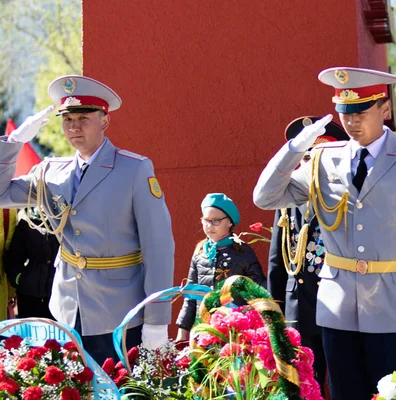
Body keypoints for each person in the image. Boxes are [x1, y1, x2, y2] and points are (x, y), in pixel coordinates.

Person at [254, 67, 396, 400]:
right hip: (338, 308)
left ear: (385, 109)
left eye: (361, 111)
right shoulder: (323, 159)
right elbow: (265, 197)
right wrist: (294, 149)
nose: (351, 121)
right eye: (344, 112)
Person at [0, 75, 175, 364]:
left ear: (104, 121)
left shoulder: (133, 169)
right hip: (66, 308)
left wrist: (157, 320)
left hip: (119, 312)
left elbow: (159, 248)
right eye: (67, 119)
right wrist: (13, 143)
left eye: (83, 117)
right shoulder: (51, 172)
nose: (74, 126)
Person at [267, 116, 348, 393]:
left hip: (336, 303)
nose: (309, 165)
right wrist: (274, 312)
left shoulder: (343, 198)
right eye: (304, 157)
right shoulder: (287, 201)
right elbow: (277, 260)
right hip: (297, 307)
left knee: (340, 383)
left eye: (317, 156)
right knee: (302, 386)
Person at [176, 193, 266, 341]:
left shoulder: (242, 252)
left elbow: (258, 291)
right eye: (206, 220)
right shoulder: (200, 252)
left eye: (216, 221)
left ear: (230, 222)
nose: (209, 226)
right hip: (203, 329)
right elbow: (190, 294)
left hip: (233, 332)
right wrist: (183, 330)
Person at [4, 208, 59, 319]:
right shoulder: (25, 220)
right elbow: (14, 258)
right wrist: (20, 279)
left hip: (58, 294)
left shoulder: (66, 221)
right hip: (29, 295)